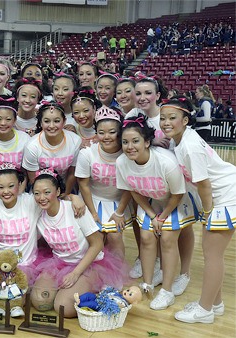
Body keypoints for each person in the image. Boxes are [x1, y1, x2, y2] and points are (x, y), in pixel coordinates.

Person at [157, 96, 236, 324]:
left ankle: (204, 310)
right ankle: (216, 304)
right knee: (212, 254)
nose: (166, 122)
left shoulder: (190, 146)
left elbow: (204, 185)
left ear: (185, 119)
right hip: (220, 195)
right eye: (163, 118)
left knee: (212, 255)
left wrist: (208, 214)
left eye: (173, 118)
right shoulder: (180, 140)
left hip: (225, 197)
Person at [116, 114, 197, 311]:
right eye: (125, 142)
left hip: (177, 199)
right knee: (146, 237)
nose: (130, 146)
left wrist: (162, 217)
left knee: (168, 238)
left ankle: (167, 291)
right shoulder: (122, 162)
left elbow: (178, 193)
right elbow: (134, 190)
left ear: (147, 142)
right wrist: (153, 216)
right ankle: (148, 284)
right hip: (152, 201)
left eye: (135, 141)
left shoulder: (165, 162)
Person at [30, 168, 128, 318]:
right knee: (39, 301)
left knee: (64, 308)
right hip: (60, 263)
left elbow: (97, 244)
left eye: (46, 192)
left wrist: (75, 274)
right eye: (37, 193)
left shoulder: (76, 209)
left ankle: (97, 289)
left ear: (57, 191)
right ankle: (68, 290)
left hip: (88, 264)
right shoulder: (38, 214)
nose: (41, 197)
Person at [76, 106, 132, 259]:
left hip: (117, 201)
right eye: (101, 132)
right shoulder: (87, 153)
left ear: (120, 132)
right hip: (92, 199)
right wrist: (93, 213)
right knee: (95, 238)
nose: (106, 136)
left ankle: (117, 275)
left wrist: (119, 212)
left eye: (112, 132)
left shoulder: (128, 153)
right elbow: (84, 185)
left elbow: (129, 187)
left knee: (114, 237)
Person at [22, 101, 82, 196]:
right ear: (41, 123)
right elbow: (33, 179)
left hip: (66, 189)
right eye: (46, 121)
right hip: (40, 192)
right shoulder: (32, 146)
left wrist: (64, 194)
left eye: (57, 121)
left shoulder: (75, 141)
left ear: (64, 121)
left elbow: (72, 173)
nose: (52, 126)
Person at [0, 95, 30, 197]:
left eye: (8, 119)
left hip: (19, 191)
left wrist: (18, 194)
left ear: (15, 120)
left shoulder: (25, 139)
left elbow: (25, 172)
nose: (3, 123)